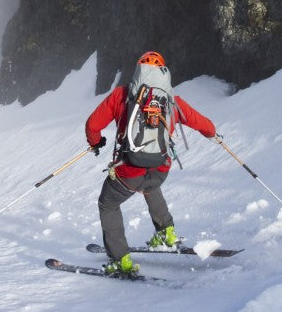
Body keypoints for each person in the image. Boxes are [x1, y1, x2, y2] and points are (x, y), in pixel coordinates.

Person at [85, 51, 217, 276]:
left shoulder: (122, 95)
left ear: (138, 70)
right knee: (151, 186)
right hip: (160, 168)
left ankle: (120, 259)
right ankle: (166, 234)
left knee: (108, 204)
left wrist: (96, 143)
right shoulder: (171, 99)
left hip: (128, 171)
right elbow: (206, 125)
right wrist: (213, 135)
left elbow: (93, 125)